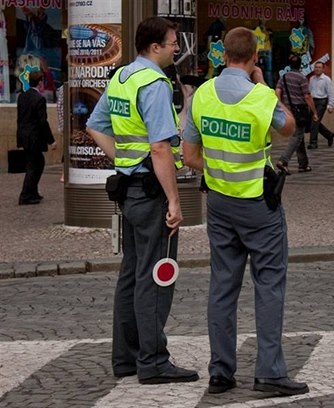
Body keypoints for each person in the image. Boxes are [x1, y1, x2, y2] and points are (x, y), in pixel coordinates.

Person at [183, 27, 309, 396]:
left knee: (222, 286)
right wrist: (266, 87)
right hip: (257, 203)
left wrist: (220, 168)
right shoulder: (260, 98)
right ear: (254, 57)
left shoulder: (203, 95)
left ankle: (220, 372)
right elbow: (289, 127)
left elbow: (190, 157)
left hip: (219, 204)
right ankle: (269, 372)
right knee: (269, 284)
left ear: (223, 56)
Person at [85, 16, 199, 385]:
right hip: (151, 192)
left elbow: (94, 125)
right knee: (157, 276)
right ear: (155, 47)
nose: (176, 48)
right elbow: (161, 146)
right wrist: (174, 200)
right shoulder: (153, 83)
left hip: (130, 189)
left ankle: (127, 358)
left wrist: (123, 160)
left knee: (132, 275)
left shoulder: (122, 77)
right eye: (172, 43)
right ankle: (153, 361)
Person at [17, 70, 56, 205]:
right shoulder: (39, 99)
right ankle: (26, 195)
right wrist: (51, 140)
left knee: (35, 164)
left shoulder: (22, 96)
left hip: (24, 136)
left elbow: (21, 118)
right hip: (33, 137)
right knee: (35, 165)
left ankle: (33, 192)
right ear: (40, 82)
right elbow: (42, 122)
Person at [276, 54, 318, 174]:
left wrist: (281, 105)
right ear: (300, 65)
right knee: (297, 137)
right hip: (300, 111)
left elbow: (277, 91)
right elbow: (307, 96)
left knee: (299, 136)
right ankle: (283, 161)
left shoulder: (283, 77)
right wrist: (314, 112)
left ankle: (303, 164)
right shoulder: (302, 78)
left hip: (287, 110)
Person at [308, 61, 334, 149]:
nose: (317, 69)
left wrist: (331, 105)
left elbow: (330, 93)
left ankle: (313, 142)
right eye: (316, 67)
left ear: (323, 69)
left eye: (319, 67)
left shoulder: (326, 79)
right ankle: (329, 135)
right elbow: (309, 91)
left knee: (315, 121)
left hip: (322, 101)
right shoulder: (312, 79)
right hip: (313, 101)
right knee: (313, 122)